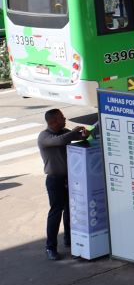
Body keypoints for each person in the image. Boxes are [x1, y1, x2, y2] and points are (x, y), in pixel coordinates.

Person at [37, 109, 90, 261]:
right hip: (55, 180)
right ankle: (50, 247)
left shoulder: (64, 131)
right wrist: (73, 133)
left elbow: (78, 137)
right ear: (52, 122)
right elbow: (60, 140)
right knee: (56, 212)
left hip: (70, 178)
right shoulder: (44, 136)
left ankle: (69, 240)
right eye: (61, 117)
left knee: (70, 210)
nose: (65, 118)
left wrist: (84, 135)